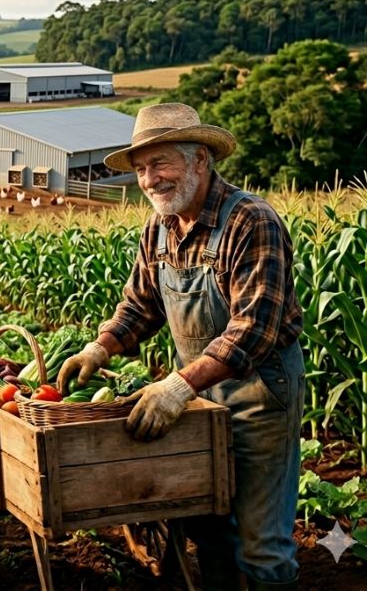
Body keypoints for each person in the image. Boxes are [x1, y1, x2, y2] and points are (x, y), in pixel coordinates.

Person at [56, 103, 303, 591]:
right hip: (196, 397)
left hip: (258, 396)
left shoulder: (250, 221)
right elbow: (139, 306)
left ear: (200, 160)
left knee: (261, 545)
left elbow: (252, 328)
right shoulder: (161, 227)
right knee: (208, 529)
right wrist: (99, 348)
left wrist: (177, 386)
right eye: (142, 168)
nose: (149, 179)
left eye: (160, 163)